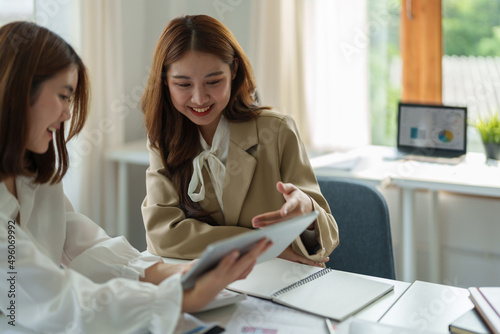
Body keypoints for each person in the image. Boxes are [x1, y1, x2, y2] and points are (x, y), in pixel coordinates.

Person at [0, 21, 271, 333]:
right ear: (18, 92)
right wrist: (177, 298)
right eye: (63, 96)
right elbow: (56, 298)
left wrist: (171, 273)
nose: (66, 114)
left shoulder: (35, 172)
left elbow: (79, 242)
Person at [141, 15, 339, 266]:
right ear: (164, 81)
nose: (199, 99)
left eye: (213, 82)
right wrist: (261, 245)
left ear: (234, 70)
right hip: (208, 285)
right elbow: (162, 236)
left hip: (276, 281)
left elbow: (326, 239)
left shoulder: (276, 131)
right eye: (183, 84)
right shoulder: (164, 139)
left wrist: (309, 213)